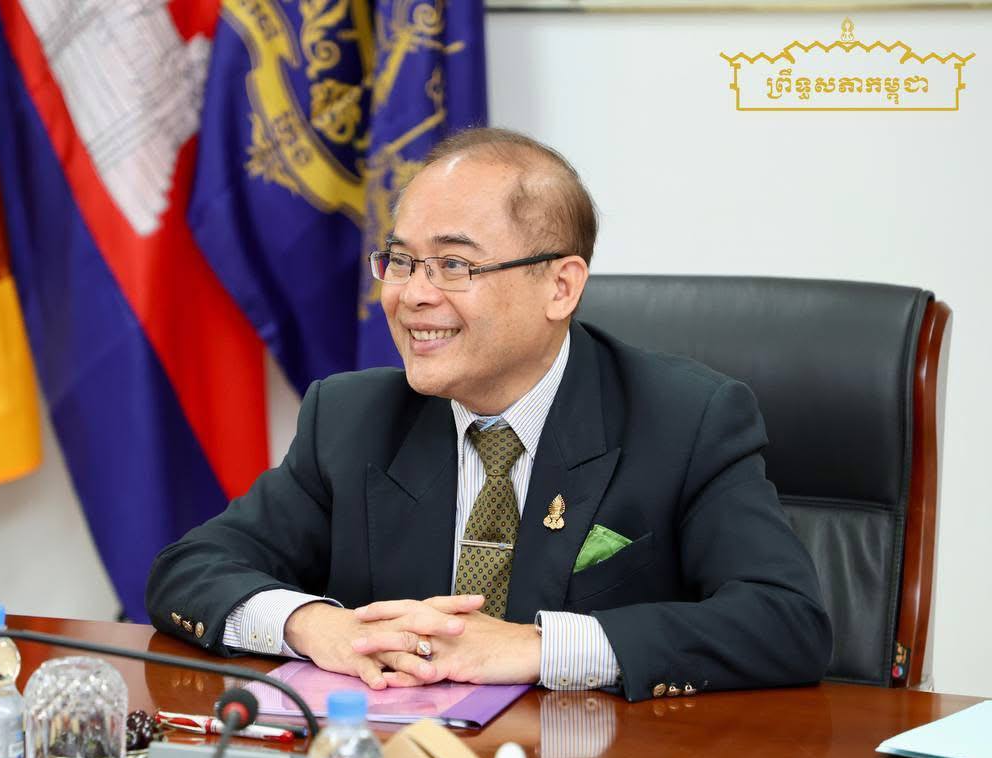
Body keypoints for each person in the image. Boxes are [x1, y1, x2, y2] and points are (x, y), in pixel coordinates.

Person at [147, 128, 832, 701]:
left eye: (452, 265)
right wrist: (316, 625)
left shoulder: (686, 419)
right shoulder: (353, 418)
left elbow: (786, 621)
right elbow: (191, 567)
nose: (412, 295)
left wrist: (539, 648)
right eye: (401, 261)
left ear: (560, 286)